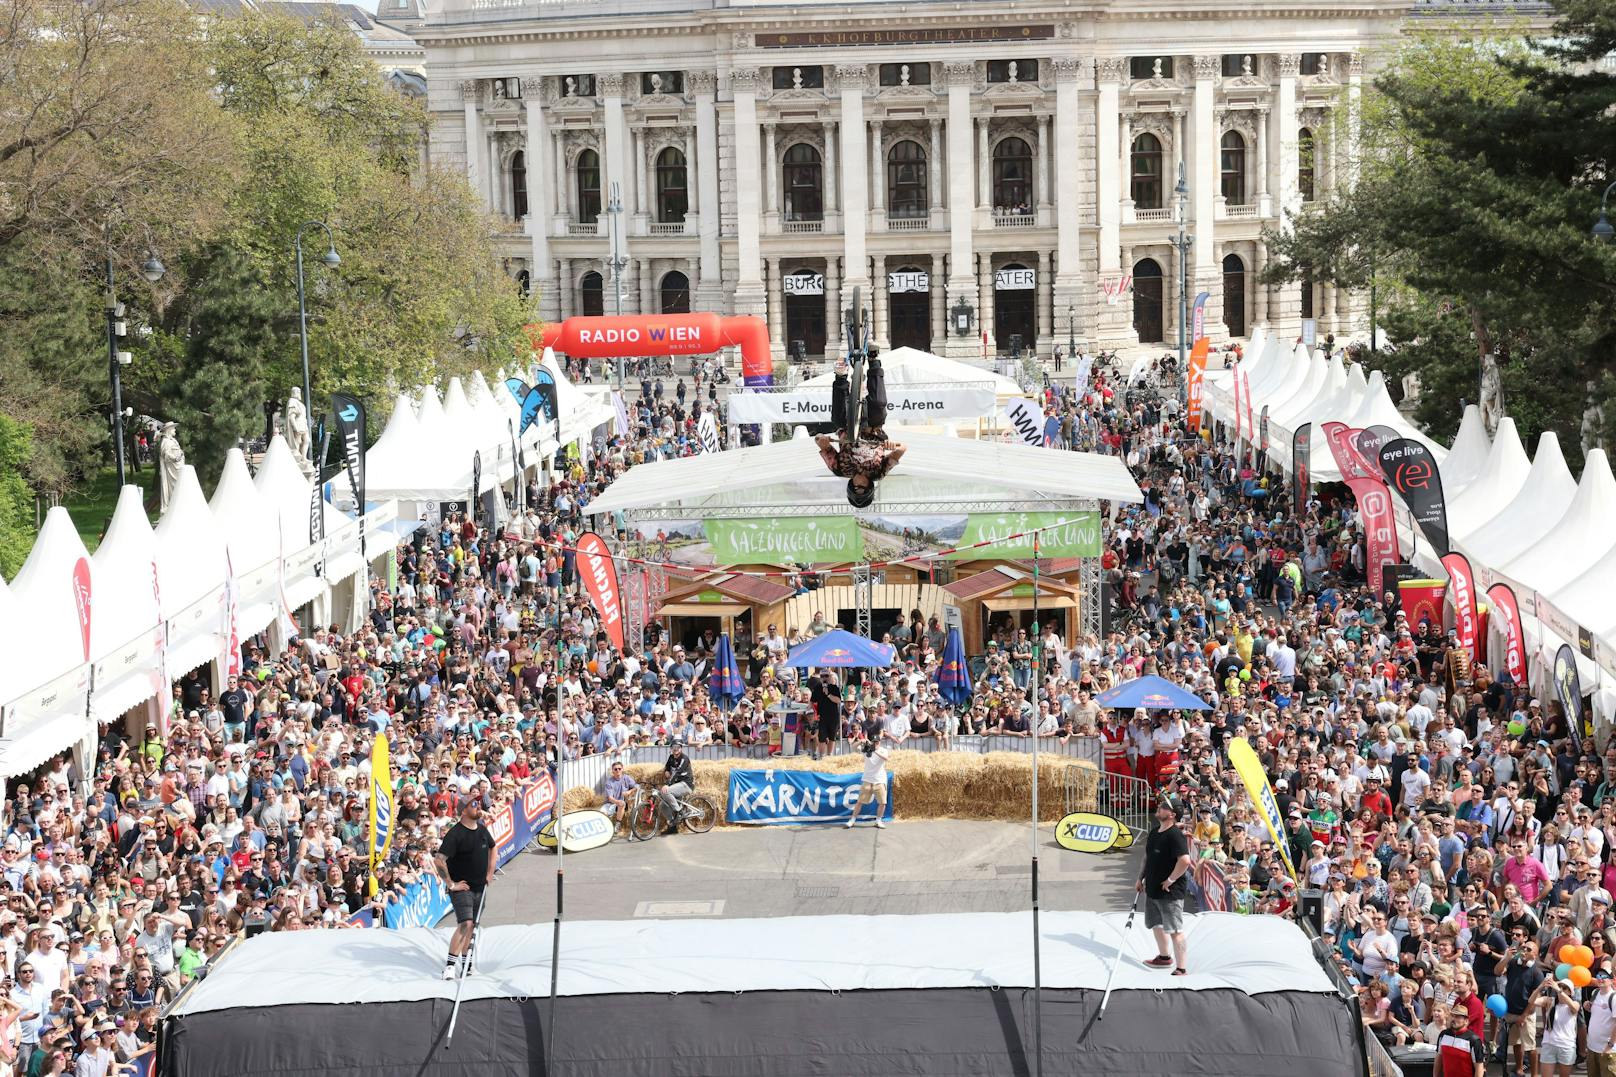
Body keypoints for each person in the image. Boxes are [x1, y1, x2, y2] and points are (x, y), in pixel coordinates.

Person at [813, 355, 905, 508]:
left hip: (848, 428)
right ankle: (874, 362)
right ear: (869, 487)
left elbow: (822, 444)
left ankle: (841, 376)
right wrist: (893, 446)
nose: (858, 485)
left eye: (855, 488)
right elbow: (902, 448)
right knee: (879, 407)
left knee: (837, 419)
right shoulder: (879, 473)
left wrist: (821, 440)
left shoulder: (839, 470)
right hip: (872, 428)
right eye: (862, 488)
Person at [433, 800, 495, 980]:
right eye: (473, 805)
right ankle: (450, 967)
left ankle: (467, 965)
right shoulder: (455, 834)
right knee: (465, 924)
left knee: (472, 927)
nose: (478, 807)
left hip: (479, 887)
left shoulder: (482, 830)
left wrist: (490, 873)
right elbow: (439, 860)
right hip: (462, 888)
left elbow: (493, 847)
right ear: (464, 810)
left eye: (478, 804)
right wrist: (451, 884)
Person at [1139, 800, 1193, 975]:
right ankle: (1164, 958)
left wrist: (1170, 879)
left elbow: (1185, 861)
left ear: (1172, 814)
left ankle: (1181, 968)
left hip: (1170, 892)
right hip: (1153, 888)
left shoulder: (1175, 835)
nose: (1159, 808)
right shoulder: (1154, 832)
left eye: (1164, 807)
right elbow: (1147, 858)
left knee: (1175, 930)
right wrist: (1140, 878)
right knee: (1156, 924)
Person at [1433, 1002, 1486, 1077]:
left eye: (1458, 1017)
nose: (1454, 1019)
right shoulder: (1443, 1035)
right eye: (1453, 1016)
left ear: (1466, 1021)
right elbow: (1438, 1058)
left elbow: (1479, 1068)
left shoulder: (1474, 1040)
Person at [658, 745, 694, 836]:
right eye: (673, 748)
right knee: (662, 805)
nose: (675, 749)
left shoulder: (684, 758)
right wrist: (666, 770)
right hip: (676, 785)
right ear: (671, 749)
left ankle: (679, 811)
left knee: (666, 791)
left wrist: (667, 785)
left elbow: (677, 773)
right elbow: (667, 767)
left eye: (678, 748)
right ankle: (673, 826)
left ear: (681, 749)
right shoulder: (671, 758)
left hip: (686, 784)